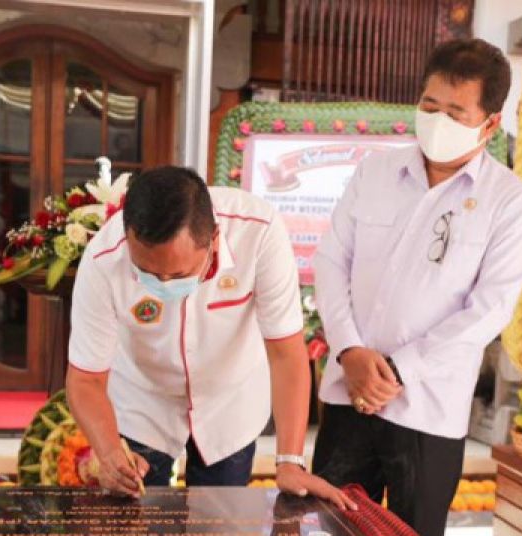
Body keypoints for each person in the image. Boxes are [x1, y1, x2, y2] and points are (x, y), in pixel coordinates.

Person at [311, 39, 522, 536]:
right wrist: (349, 350)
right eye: (429, 106)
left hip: (428, 409)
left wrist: (397, 371)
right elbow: (330, 261)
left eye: (456, 112)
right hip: (350, 394)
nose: (437, 120)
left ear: (489, 124)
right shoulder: (375, 173)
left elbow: (489, 309)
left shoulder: (510, 202)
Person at [66, 166, 353, 510]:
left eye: (179, 274)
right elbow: (86, 378)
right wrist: (110, 453)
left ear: (214, 240)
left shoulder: (258, 233)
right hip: (143, 401)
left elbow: (285, 352)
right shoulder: (102, 260)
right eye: (148, 274)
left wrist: (290, 460)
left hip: (229, 404)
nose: (165, 284)